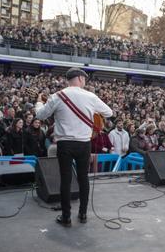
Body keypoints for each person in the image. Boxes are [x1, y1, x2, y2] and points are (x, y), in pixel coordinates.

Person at [35, 67, 112, 227]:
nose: (85, 82)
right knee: (83, 178)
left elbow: (40, 115)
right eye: (84, 79)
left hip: (65, 144)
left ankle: (66, 216)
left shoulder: (57, 96)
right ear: (80, 78)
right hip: (84, 143)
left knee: (65, 179)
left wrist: (38, 103)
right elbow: (109, 112)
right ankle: (83, 214)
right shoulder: (90, 96)